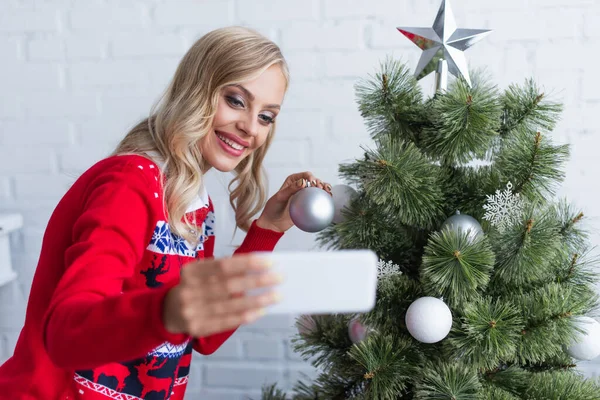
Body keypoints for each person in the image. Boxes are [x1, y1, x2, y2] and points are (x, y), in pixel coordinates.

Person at [0, 26, 332, 400]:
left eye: (267, 116)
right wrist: (165, 311)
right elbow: (64, 333)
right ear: (197, 90)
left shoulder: (194, 204)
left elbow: (203, 337)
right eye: (236, 100)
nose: (250, 128)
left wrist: (267, 230)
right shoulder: (131, 183)